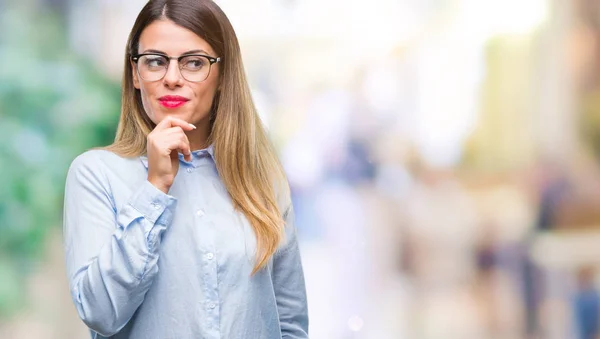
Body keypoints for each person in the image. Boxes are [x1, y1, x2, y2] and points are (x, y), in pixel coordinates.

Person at [62, 1, 309, 338]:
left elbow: (289, 324)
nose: (173, 78)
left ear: (222, 75)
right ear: (135, 73)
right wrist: (154, 189)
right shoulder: (96, 175)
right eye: (155, 62)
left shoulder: (262, 181)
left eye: (194, 63)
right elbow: (99, 313)